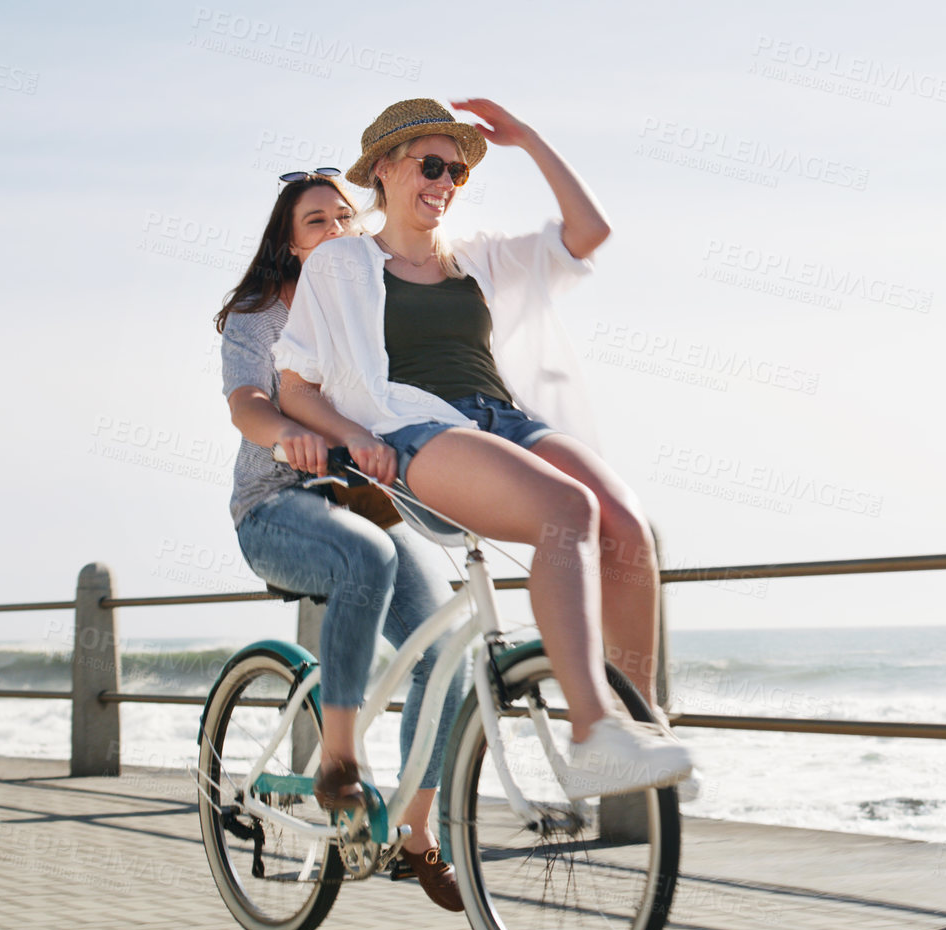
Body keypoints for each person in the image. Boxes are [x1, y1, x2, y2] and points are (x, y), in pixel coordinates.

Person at [270, 97, 693, 804]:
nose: (445, 183)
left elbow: (590, 231)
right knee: (566, 510)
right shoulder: (340, 264)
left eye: (458, 173)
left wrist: (527, 139)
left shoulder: (477, 256)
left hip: (507, 420)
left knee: (624, 522)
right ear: (383, 170)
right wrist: (356, 437)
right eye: (431, 166)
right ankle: (591, 733)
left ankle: (636, 722)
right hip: (416, 429)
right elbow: (295, 386)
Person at [215, 169, 465, 912]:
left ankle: (416, 832)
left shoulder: (370, 308)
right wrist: (290, 435)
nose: (334, 230)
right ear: (292, 247)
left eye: (343, 218)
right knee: (369, 557)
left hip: (363, 501)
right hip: (274, 508)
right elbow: (247, 405)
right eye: (315, 222)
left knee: (445, 649)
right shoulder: (258, 318)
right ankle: (340, 763)